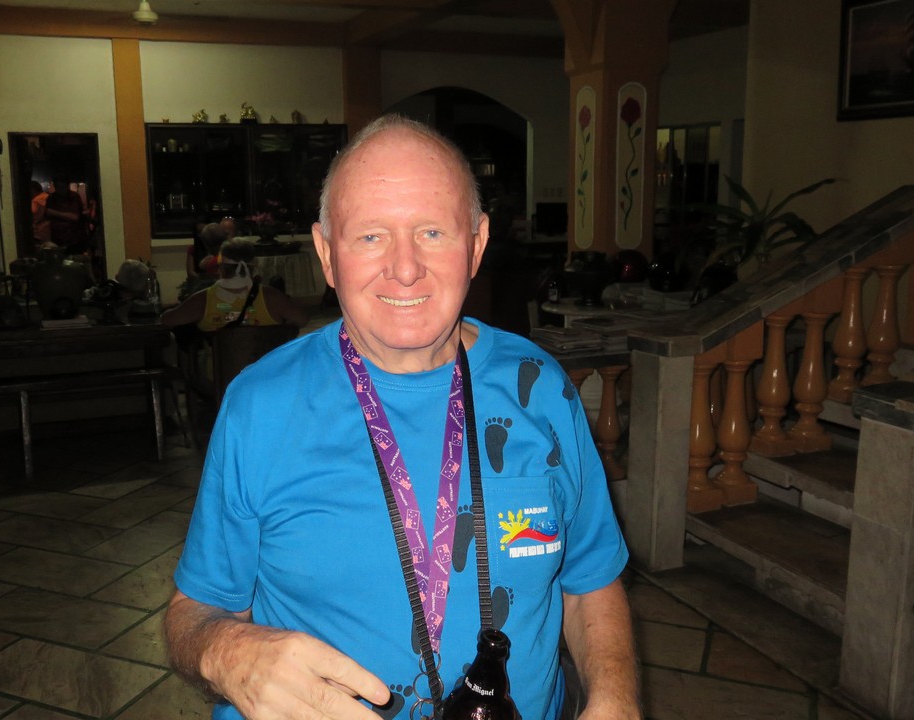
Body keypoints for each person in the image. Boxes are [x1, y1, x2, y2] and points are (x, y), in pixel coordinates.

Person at [164, 114, 640, 720]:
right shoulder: (260, 406)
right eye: (371, 236)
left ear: (477, 243)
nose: (406, 268)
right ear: (326, 254)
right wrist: (224, 651)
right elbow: (194, 612)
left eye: (433, 232)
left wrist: (616, 699)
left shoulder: (541, 388)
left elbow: (590, 580)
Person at [161, 237, 308, 333]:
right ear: (253, 266)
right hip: (264, 369)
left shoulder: (202, 300)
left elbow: (167, 320)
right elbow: (302, 319)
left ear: (221, 267)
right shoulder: (272, 297)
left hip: (220, 370)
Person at [30, 180, 51, 246]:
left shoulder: (35, 201)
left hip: (38, 231)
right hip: (49, 230)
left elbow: (33, 214)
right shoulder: (48, 197)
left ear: (32, 189)